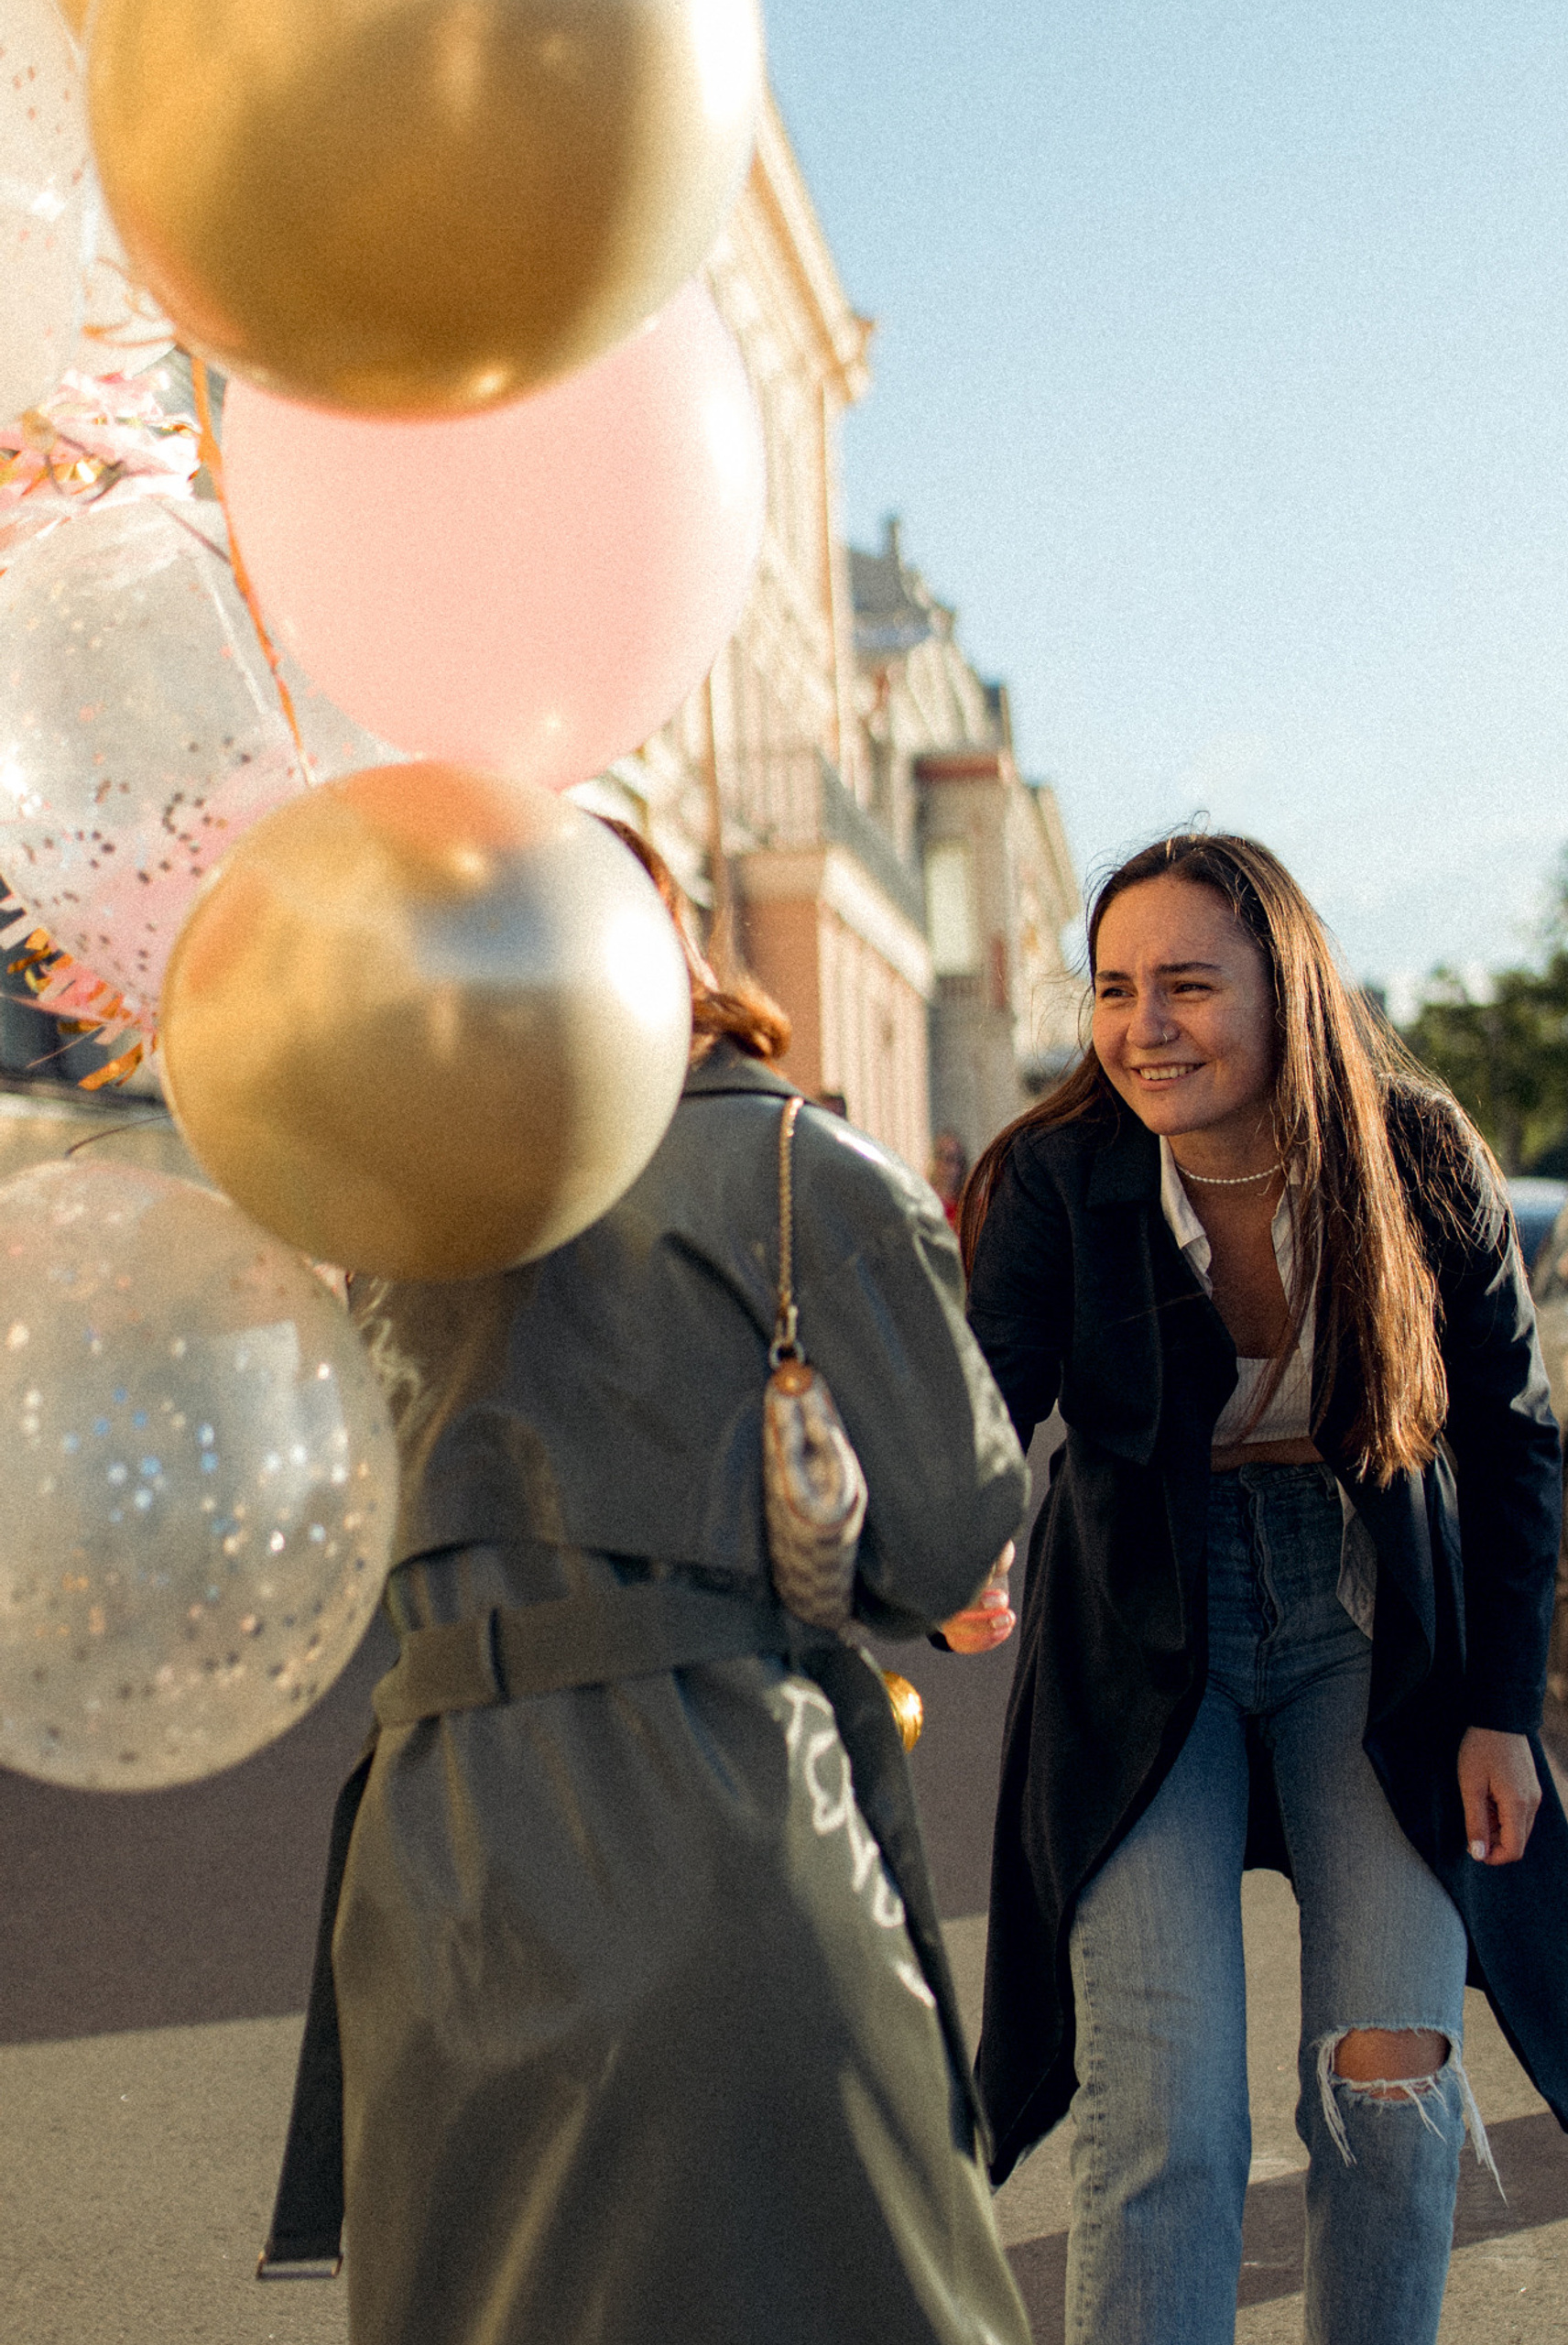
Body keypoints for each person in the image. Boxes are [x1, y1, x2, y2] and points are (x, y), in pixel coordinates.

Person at [267, 823, 1035, 2345]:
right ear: (664, 943)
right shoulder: (803, 1166)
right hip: (724, 1822)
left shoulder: (398, 1216)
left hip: (435, 1869)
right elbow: (950, 1534)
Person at [942, 831, 1568, 2345]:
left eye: (1188, 984)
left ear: (1286, 988)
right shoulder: (1055, 1174)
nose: (1143, 1026)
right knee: (1168, 2112)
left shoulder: (1420, 1155)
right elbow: (992, 1403)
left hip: (1376, 1625)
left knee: (1393, 2073)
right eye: (1114, 988)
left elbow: (1514, 1441)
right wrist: (960, 1542)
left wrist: (1505, 1714)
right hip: (1142, 1625)